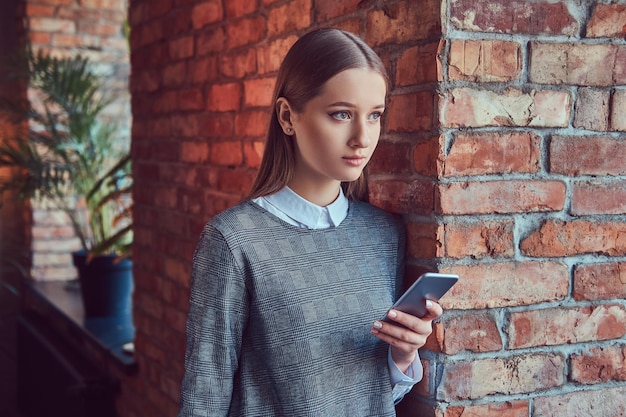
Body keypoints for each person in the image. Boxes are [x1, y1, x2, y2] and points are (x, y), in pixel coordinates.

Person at [178, 28, 443, 417]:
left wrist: (403, 354)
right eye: (341, 114)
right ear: (288, 117)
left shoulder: (384, 234)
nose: (362, 137)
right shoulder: (234, 241)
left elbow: (369, 393)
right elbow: (204, 398)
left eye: (374, 116)